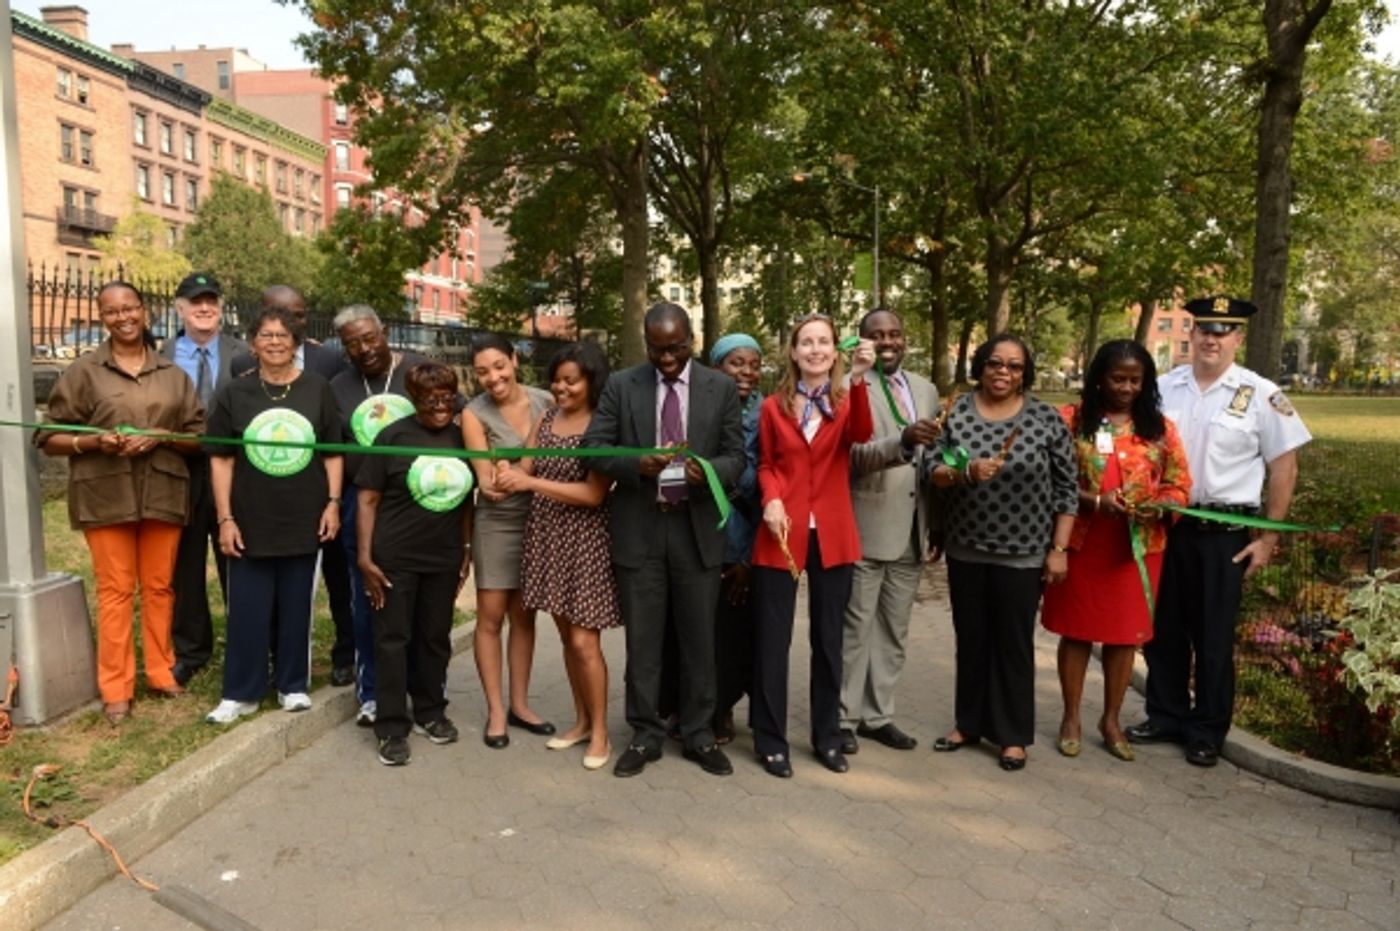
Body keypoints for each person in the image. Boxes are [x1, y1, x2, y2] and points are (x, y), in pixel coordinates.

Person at [1127, 297, 1311, 767]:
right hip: (1167, 527)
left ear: (1238, 338)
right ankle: (1166, 715)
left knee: (1212, 637)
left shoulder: (1261, 394)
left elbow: (1284, 467)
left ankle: (1207, 730)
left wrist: (1268, 539)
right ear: (1192, 334)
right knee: (1162, 629)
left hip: (1223, 534)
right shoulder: (1163, 388)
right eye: (1205, 329)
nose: (1212, 339)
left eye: (1223, 331)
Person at [582, 302, 745, 778]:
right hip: (642, 529)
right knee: (644, 643)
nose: (668, 359)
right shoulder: (622, 385)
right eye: (657, 350)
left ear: (691, 340)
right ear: (646, 344)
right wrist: (637, 463)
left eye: (676, 349)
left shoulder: (719, 387)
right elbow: (593, 449)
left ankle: (698, 733)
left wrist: (706, 471)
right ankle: (645, 733)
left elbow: (737, 457)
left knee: (699, 641)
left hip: (696, 531)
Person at [39, 281, 205, 724]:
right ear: (102, 318)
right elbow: (48, 436)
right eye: (112, 311)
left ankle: (161, 672)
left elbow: (199, 438)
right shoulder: (84, 372)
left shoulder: (172, 374)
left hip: (163, 492)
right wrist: (95, 442)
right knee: (115, 591)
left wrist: (162, 436)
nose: (123, 317)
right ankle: (116, 688)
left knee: (160, 587)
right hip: (104, 494)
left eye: (129, 308)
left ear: (144, 311)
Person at [925, 334, 1077, 771]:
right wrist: (965, 472)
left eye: (1014, 366)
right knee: (971, 639)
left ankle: (1012, 735)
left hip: (1023, 552)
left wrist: (1059, 549)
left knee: (1013, 644)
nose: (1003, 372)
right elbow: (932, 469)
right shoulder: (956, 412)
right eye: (995, 363)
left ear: (1024, 373)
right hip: (966, 547)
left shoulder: (1045, 419)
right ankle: (968, 723)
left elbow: (1067, 489)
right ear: (981, 365)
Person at [1040, 340, 1191, 762]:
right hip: (1081, 542)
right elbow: (1047, 478)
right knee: (1077, 630)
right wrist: (1094, 500)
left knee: (1125, 635)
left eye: (1135, 380)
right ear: (1099, 379)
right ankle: (1071, 717)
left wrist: (1161, 505)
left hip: (1136, 550)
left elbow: (1179, 484)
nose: (1126, 388)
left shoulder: (1160, 429)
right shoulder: (1070, 421)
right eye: (1117, 378)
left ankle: (1111, 720)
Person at [204, 307, 345, 724]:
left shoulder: (317, 389)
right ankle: (241, 692)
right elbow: (221, 460)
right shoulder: (234, 393)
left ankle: (292, 685)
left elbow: (333, 453)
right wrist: (225, 518)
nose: (275, 342)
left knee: (296, 606)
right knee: (247, 607)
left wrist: (333, 503)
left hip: (304, 515)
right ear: (253, 343)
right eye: (266, 335)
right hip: (249, 517)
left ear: (296, 343)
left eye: (283, 335)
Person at [748, 316, 874, 778]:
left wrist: (858, 379)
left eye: (823, 342)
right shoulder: (772, 407)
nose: (815, 349)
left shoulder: (846, 400)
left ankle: (827, 736)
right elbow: (766, 464)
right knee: (772, 640)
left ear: (835, 351)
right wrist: (772, 498)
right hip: (782, 531)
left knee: (828, 639)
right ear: (794, 351)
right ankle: (770, 740)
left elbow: (861, 435)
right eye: (806, 342)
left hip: (833, 532)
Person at [496, 342, 621, 771]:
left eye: (572, 381)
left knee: (585, 642)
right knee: (568, 638)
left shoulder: (603, 425)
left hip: (585, 541)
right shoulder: (547, 418)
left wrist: (529, 484)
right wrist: (505, 472)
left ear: (592, 380)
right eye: (556, 380)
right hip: (546, 537)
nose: (561, 388)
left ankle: (601, 731)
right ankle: (582, 721)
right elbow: (526, 466)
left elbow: (593, 493)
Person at [232, 285, 356, 690]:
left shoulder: (328, 360)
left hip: (319, 492)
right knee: (267, 586)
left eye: (299, 317)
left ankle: (343, 655)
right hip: (266, 494)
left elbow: (335, 422)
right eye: (280, 316)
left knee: (335, 580)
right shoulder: (241, 365)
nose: (291, 324)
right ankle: (269, 664)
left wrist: (333, 497)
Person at [356, 362, 473, 766]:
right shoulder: (392, 437)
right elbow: (367, 499)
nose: (440, 406)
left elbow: (467, 500)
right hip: (395, 557)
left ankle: (430, 711)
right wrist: (365, 557)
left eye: (447, 397)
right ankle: (391, 726)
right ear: (414, 399)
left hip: (443, 556)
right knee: (393, 639)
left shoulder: (462, 438)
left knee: (434, 637)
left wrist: (466, 548)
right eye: (430, 399)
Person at [840, 308, 943, 755]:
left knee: (893, 631)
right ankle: (843, 718)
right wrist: (902, 441)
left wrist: (937, 522)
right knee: (855, 629)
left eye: (895, 334)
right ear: (862, 341)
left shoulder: (926, 389)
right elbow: (850, 457)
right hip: (866, 525)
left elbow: (935, 458)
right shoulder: (848, 387)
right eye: (877, 335)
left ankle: (877, 716)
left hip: (913, 530)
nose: (888, 342)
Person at [329, 305, 436, 726]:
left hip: (420, 502)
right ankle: (372, 693)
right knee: (368, 598)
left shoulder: (419, 370)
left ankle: (423, 692)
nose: (364, 349)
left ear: (385, 331)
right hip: (363, 502)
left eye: (369, 337)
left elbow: (453, 420)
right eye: (352, 343)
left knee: (420, 603)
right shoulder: (338, 386)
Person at [461, 334, 555, 747]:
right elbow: (485, 479)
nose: (493, 378)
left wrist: (518, 473)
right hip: (497, 521)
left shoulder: (545, 401)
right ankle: (496, 711)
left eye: (499, 366)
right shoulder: (473, 413)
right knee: (491, 616)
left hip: (541, 518)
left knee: (524, 616)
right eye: (483, 372)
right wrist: (497, 479)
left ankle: (520, 705)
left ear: (515, 360)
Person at [160, 272, 249, 687]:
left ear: (221, 307)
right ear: (180, 308)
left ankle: (247, 644)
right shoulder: (160, 355)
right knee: (185, 564)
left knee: (238, 557)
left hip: (233, 470)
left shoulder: (244, 354)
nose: (204, 308)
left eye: (211, 300)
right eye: (195, 301)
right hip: (179, 470)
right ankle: (192, 650)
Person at [709, 333, 765, 744]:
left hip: (748, 542)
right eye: (736, 363)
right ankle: (692, 705)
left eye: (754, 364)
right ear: (716, 367)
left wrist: (748, 558)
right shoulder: (701, 409)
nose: (746, 372)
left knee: (736, 634)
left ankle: (726, 707)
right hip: (703, 541)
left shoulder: (770, 415)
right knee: (701, 633)